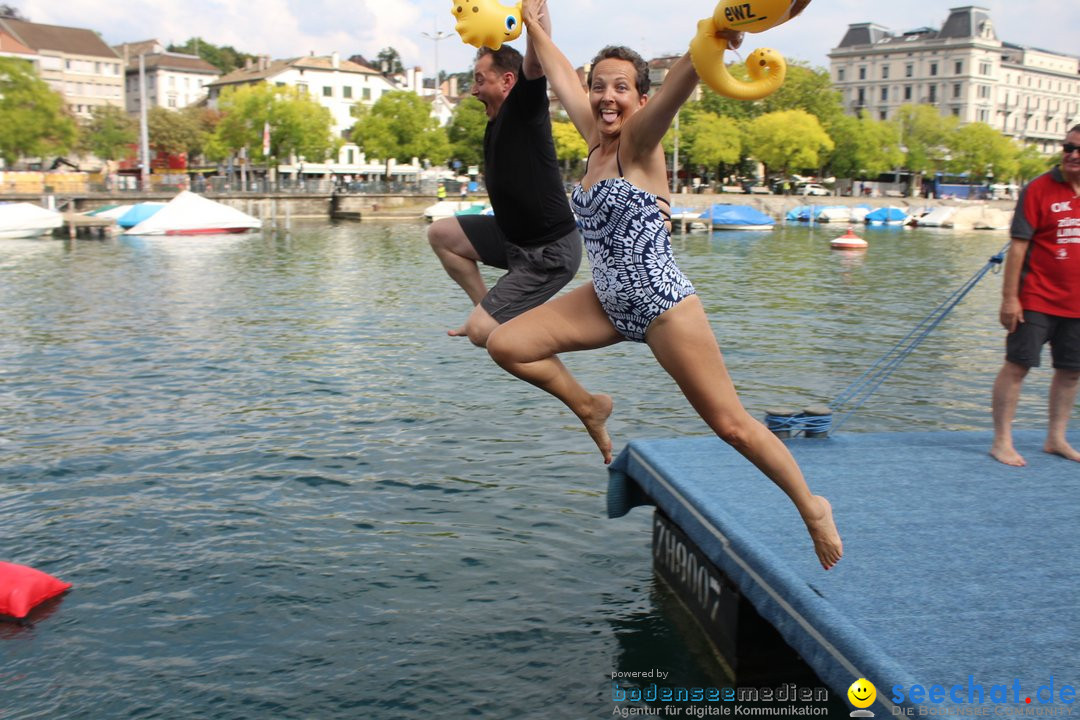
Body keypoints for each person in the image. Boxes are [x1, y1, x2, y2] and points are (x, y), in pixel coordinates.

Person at [486, 0, 841, 570]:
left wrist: (720, 33)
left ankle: (811, 506)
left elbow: (682, 79)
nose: (607, 96)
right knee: (505, 344)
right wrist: (534, 25)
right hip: (605, 301)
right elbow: (557, 69)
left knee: (732, 426)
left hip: (660, 305)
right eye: (599, 86)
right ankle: (590, 405)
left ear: (640, 100)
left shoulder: (641, 143)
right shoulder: (594, 141)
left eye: (622, 88)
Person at [426, 17, 582, 348]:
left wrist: (533, 16)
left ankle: (586, 402)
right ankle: (490, 310)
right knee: (440, 233)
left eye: (480, 80)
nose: (473, 90)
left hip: (549, 253)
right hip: (513, 240)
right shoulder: (494, 121)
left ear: (508, 81)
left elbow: (538, 60)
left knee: (484, 334)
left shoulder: (522, 110)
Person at [990, 124, 1080, 467]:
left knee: (1072, 371)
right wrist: (1009, 298)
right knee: (1018, 365)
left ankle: (1056, 438)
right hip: (1036, 299)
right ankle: (1002, 441)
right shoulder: (1038, 189)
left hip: (1077, 304)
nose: (1071, 154)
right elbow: (1018, 247)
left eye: (1078, 150)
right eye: (1067, 147)